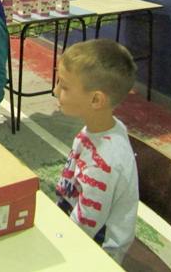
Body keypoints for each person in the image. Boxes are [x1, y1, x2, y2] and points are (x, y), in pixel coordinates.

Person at [54, 39, 139, 263]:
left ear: (96, 100)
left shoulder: (105, 162)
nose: (55, 91)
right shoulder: (97, 128)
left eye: (64, 86)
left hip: (98, 252)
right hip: (72, 222)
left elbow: (83, 228)